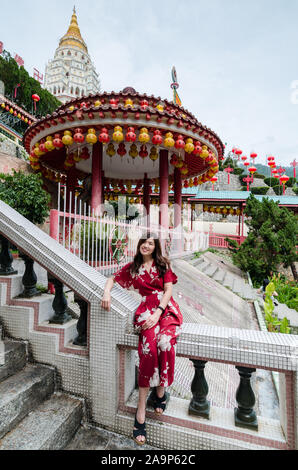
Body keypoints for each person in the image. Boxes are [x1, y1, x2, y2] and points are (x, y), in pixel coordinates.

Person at [101, 233, 183, 446]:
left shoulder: (163, 265)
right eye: (144, 242)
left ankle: (161, 391)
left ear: (155, 248)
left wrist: (158, 312)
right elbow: (111, 278)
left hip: (165, 309)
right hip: (146, 310)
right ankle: (141, 408)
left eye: (151, 243)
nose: (146, 245)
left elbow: (168, 290)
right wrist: (106, 294)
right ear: (139, 245)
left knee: (165, 343)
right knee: (148, 350)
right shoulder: (133, 268)